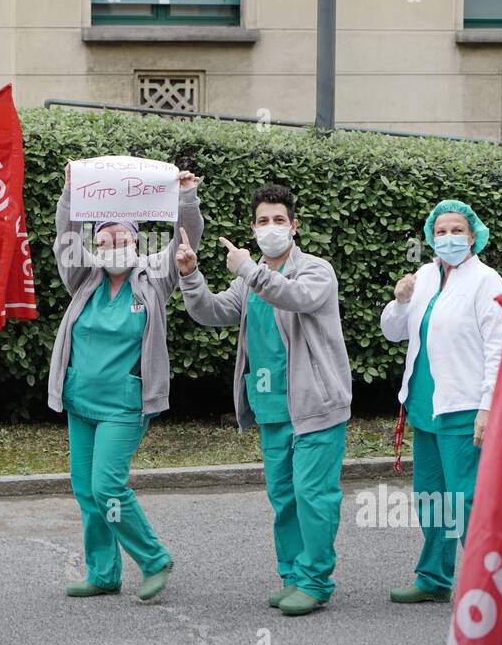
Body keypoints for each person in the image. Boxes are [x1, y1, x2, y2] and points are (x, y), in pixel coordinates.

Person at [177, 184, 352, 617]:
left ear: (294, 227)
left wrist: (248, 270)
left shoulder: (316, 270)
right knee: (284, 496)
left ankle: (315, 581)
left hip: (316, 406)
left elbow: (295, 297)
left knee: (314, 495)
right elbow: (212, 312)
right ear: (252, 228)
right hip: (271, 406)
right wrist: (190, 275)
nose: (270, 228)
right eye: (262, 221)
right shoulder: (251, 282)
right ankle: (292, 575)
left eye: (278, 220)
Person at [47, 162, 202, 602]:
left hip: (125, 405)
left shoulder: (154, 277)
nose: (112, 244)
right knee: (85, 489)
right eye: (104, 238)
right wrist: (71, 191)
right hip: (81, 400)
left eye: (121, 237)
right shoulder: (83, 277)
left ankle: (153, 559)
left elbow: (185, 240)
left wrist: (186, 197)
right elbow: (66, 235)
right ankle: (102, 572)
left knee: (107, 485)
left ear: (136, 239)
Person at [380, 199, 502, 604]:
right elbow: (393, 332)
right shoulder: (424, 275)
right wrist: (400, 299)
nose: (448, 238)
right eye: (441, 231)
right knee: (431, 497)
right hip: (423, 406)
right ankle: (435, 577)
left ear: (473, 236)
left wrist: (488, 406)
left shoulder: (487, 282)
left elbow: (499, 349)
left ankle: (486, 588)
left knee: (467, 499)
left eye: (457, 231)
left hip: (465, 407)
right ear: (430, 237)